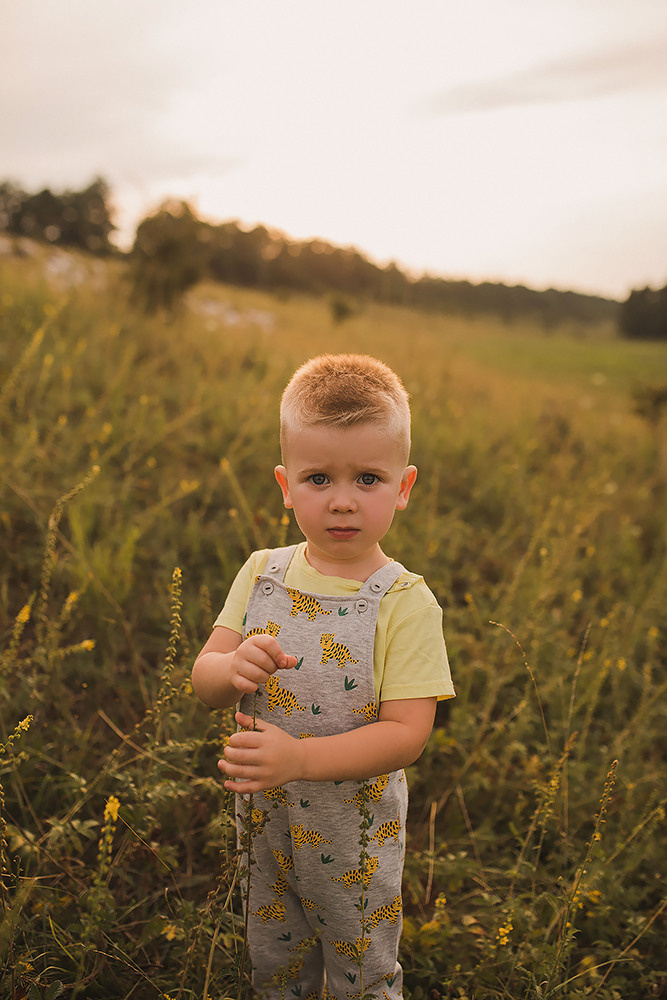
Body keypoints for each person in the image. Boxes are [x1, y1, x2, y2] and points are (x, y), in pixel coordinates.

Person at [192, 353, 454, 999]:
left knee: (358, 970)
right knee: (274, 962)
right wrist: (232, 667)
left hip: (355, 837)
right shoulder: (260, 572)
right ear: (285, 485)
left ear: (403, 487)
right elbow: (202, 679)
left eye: (367, 478)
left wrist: (300, 759)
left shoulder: (404, 601)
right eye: (318, 478)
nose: (341, 501)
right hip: (264, 823)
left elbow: (406, 735)